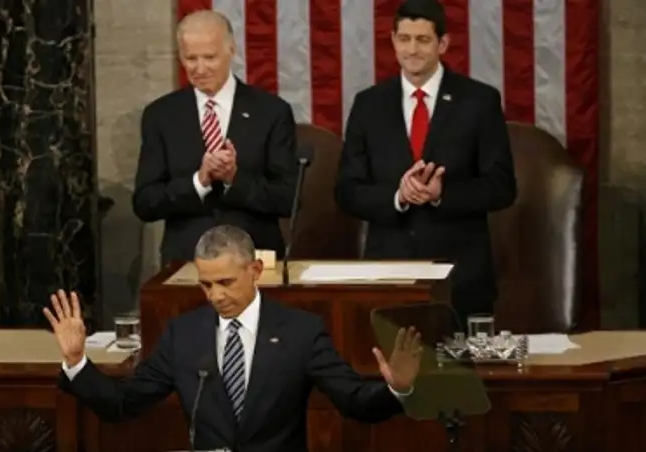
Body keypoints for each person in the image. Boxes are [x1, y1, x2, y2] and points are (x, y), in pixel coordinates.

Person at [45, 225, 422, 451]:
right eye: (206, 285)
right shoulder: (184, 334)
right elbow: (123, 404)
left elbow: (355, 402)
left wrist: (398, 389)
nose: (216, 296)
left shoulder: (300, 332)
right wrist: (77, 362)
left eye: (226, 282)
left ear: (255, 270)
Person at [334, 0, 516, 326]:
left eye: (423, 40)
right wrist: (398, 196)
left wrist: (442, 193)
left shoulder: (479, 101)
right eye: (404, 39)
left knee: (459, 362)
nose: (412, 50)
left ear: (442, 43)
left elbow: (502, 186)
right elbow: (347, 191)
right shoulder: (368, 104)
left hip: (461, 279)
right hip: (388, 278)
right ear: (393, 40)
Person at [132, 10, 298, 266]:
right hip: (186, 262)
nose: (200, 69)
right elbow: (145, 203)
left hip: (254, 260)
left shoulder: (271, 112)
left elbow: (288, 199)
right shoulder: (161, 115)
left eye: (209, 57)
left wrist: (234, 178)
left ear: (231, 51)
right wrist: (198, 182)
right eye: (191, 58)